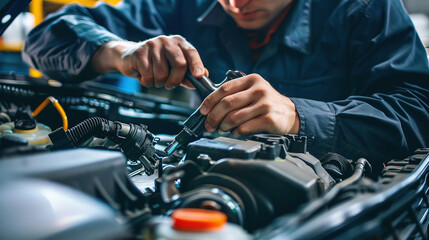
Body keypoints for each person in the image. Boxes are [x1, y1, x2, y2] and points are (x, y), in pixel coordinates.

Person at [23, 0, 429, 174]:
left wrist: (300, 116)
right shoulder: (187, 3)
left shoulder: (362, 9)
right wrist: (122, 52)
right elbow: (45, 38)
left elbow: (418, 111)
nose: (236, 2)